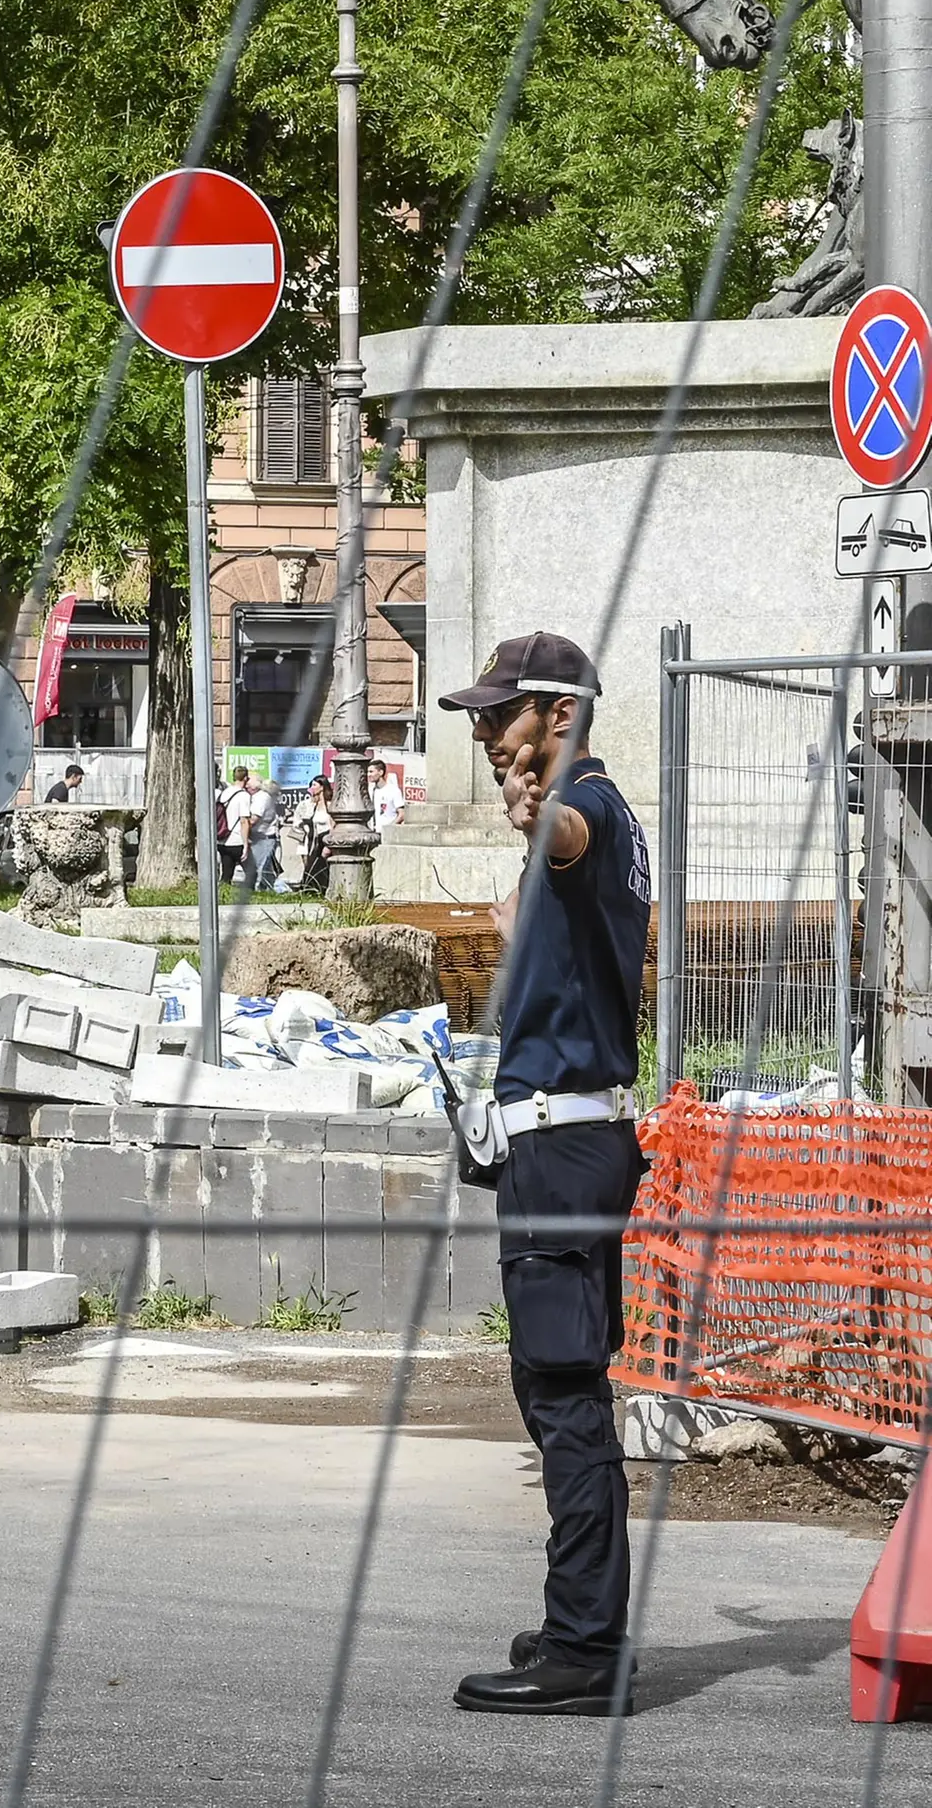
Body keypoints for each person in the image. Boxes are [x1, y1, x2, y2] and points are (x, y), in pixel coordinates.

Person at [437, 634, 653, 1717]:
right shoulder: (598, 817)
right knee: (557, 1384)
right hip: (567, 1144)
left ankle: (583, 1650)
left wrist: (541, 814)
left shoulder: (588, 810)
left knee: (565, 1393)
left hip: (566, 1152)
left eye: (499, 717)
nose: (483, 736)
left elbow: (566, 832)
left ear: (557, 717)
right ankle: (581, 1620)